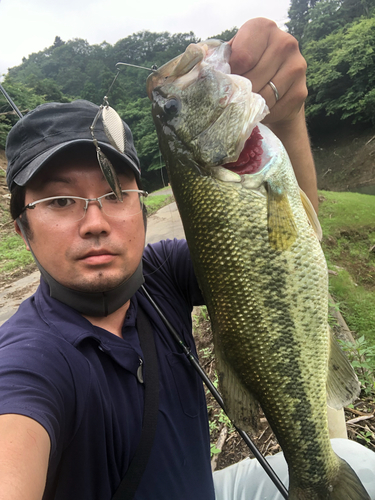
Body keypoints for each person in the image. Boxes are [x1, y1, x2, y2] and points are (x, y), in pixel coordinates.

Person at [1, 17, 374, 500]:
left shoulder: (158, 275)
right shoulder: (29, 361)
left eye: (114, 192)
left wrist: (286, 118)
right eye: (58, 201)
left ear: (141, 203)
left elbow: (285, 241)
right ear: (22, 229)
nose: (94, 222)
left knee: (363, 466)